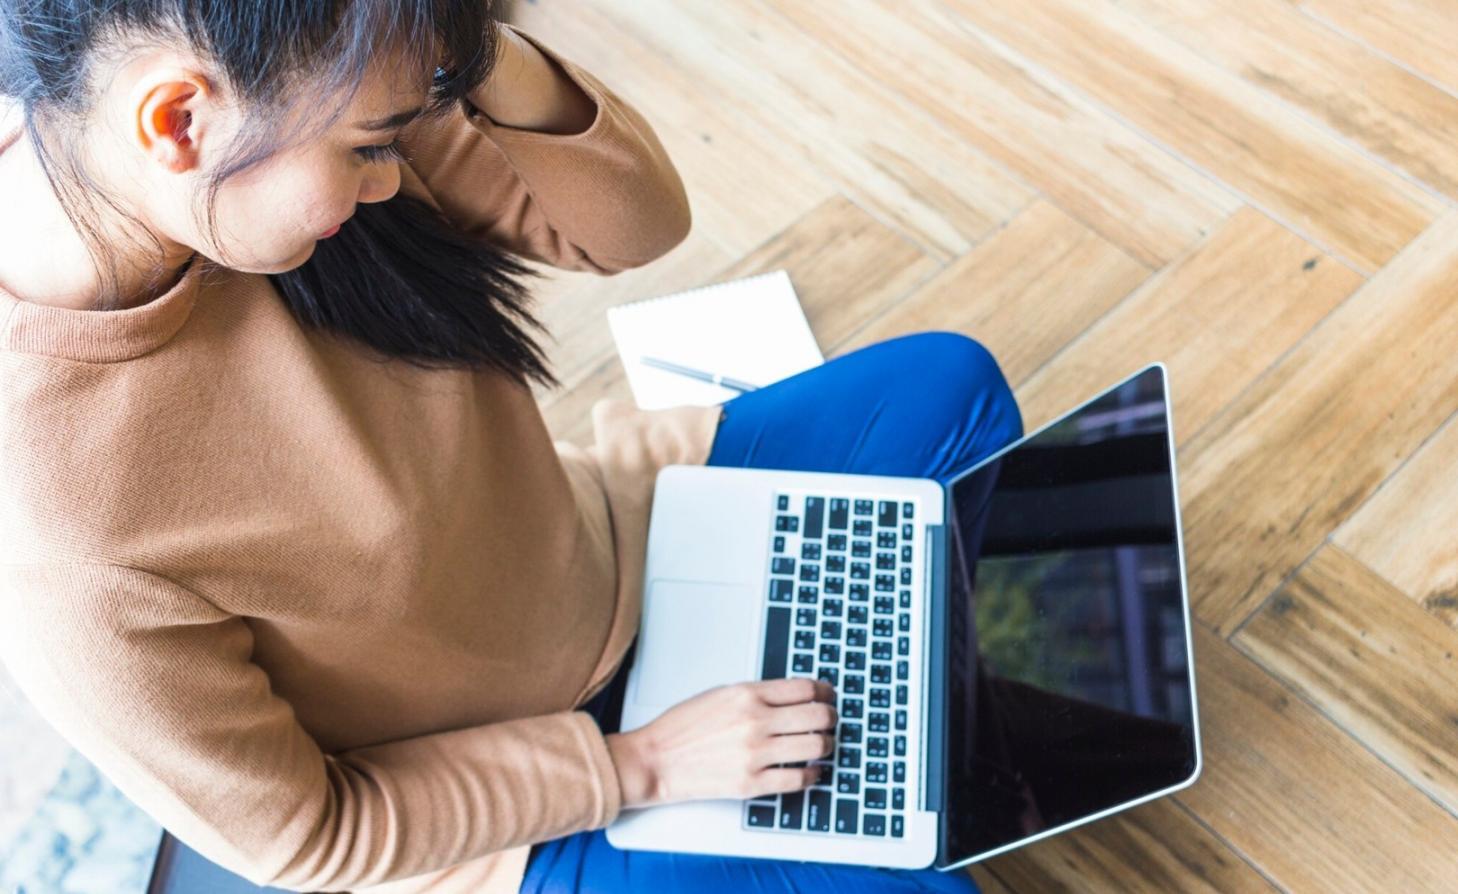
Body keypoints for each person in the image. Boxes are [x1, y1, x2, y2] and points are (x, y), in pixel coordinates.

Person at [0, 2, 1020, 892]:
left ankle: (887, 721)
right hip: (526, 807)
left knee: (952, 389)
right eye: (369, 147)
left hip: (606, 550)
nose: (392, 178)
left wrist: (457, 45)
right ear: (176, 120)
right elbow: (309, 834)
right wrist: (645, 765)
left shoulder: (310, 93)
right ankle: (883, 743)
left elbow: (628, 230)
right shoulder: (60, 542)